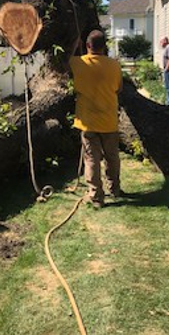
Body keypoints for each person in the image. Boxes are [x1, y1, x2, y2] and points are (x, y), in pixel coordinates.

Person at [69, 30, 123, 209]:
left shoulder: (78, 63)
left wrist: (75, 44)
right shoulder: (114, 65)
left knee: (91, 159)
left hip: (88, 120)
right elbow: (118, 88)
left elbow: (65, 60)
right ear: (104, 46)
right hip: (109, 119)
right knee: (112, 157)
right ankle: (114, 188)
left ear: (87, 46)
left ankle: (96, 196)